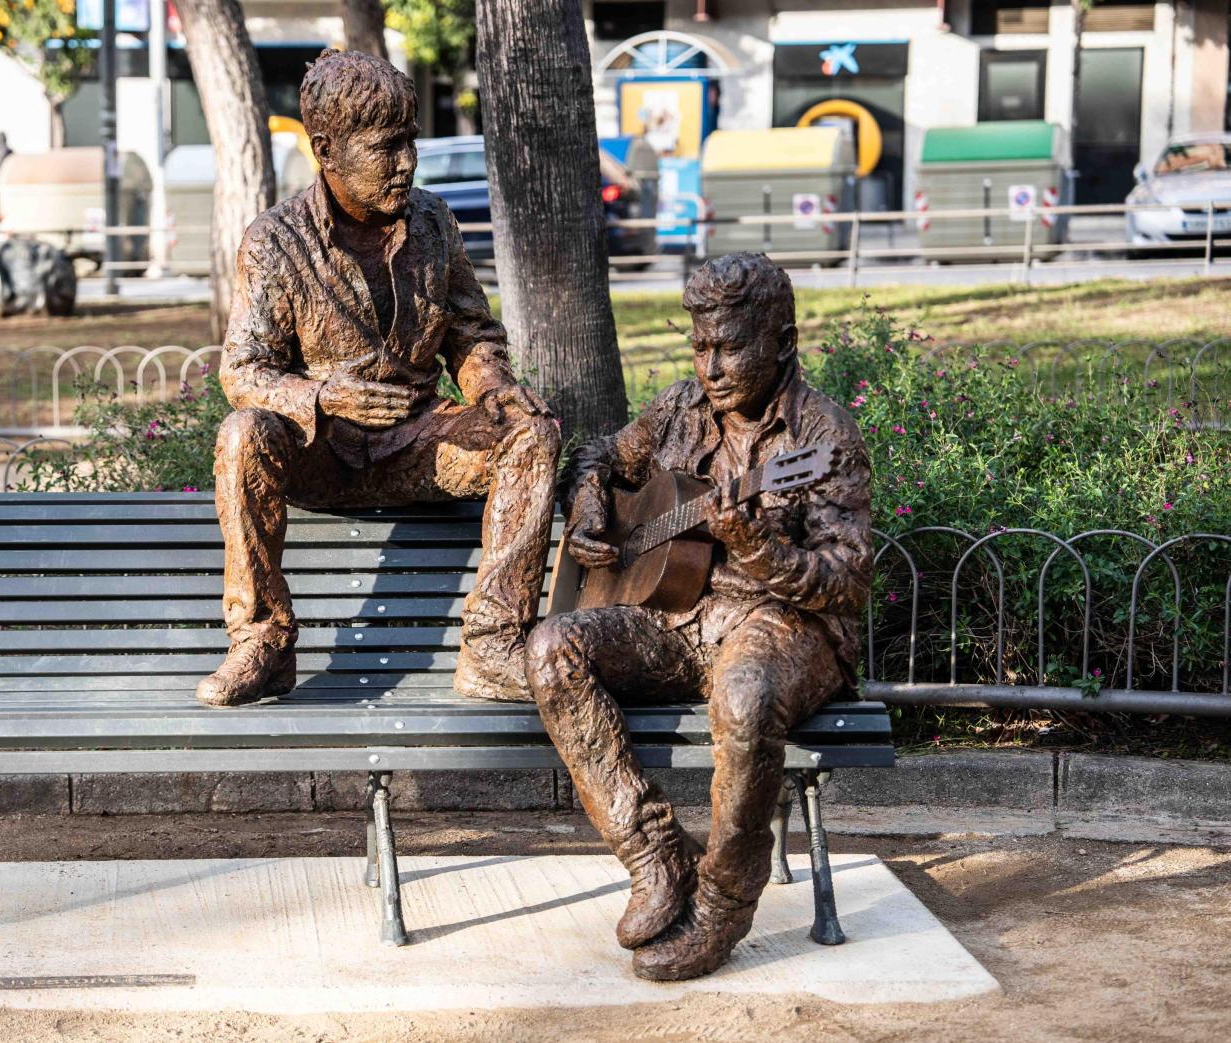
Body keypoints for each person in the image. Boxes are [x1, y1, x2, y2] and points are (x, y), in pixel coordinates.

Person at [526, 252, 872, 980]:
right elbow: (597, 455)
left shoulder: (825, 437)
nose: (711, 366)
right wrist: (589, 501)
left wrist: (759, 546)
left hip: (784, 623)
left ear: (782, 340)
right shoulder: (679, 409)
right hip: (677, 619)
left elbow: (845, 584)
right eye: (700, 345)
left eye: (731, 345)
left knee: (744, 694)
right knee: (553, 646)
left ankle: (721, 903)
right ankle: (655, 855)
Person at [199, 49, 560, 708]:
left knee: (532, 432)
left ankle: (494, 644)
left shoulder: (433, 222)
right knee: (241, 434)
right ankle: (262, 641)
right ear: (327, 150)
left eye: (411, 142)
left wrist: (491, 388)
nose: (407, 161)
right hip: (320, 455)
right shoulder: (274, 242)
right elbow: (244, 370)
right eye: (386, 147)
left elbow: (471, 337)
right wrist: (320, 395)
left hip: (416, 448)